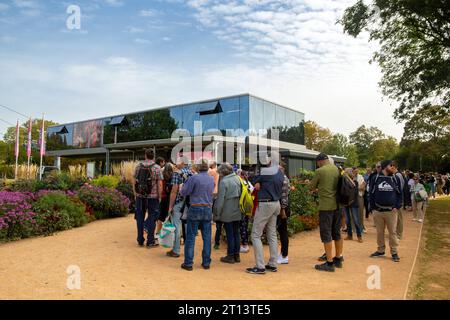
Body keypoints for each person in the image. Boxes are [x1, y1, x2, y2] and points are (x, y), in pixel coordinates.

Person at [246, 152, 285, 275]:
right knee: (272, 234)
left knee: (256, 235)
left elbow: (251, 179)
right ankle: (273, 263)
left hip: (266, 204)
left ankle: (260, 266)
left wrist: (258, 182)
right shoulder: (280, 172)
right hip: (275, 204)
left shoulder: (267, 172)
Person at [179, 158, 215, 271]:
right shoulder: (211, 179)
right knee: (207, 237)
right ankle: (206, 262)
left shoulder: (193, 178)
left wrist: (181, 187)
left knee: (190, 236)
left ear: (198, 167)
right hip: (207, 208)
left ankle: (188, 263)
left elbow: (185, 192)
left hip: (195, 207)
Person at [309, 153, 342, 272]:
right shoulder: (337, 169)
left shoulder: (320, 171)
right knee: (336, 232)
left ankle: (329, 263)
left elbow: (311, 187)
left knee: (326, 233)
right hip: (338, 205)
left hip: (326, 207)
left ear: (320, 161)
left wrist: (313, 187)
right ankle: (338, 258)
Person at [369, 160, 402, 262]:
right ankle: (380, 250)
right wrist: (373, 208)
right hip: (378, 211)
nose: (393, 167)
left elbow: (399, 193)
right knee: (379, 232)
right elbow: (371, 193)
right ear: (384, 167)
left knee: (392, 232)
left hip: (391, 211)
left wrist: (397, 206)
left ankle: (394, 252)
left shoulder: (395, 178)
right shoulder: (376, 178)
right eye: (390, 165)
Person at [132, 149, 163, 248]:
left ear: (145, 155)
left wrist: (135, 194)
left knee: (140, 217)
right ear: (153, 156)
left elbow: (134, 181)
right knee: (152, 217)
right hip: (153, 197)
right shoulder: (157, 168)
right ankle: (150, 241)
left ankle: (140, 239)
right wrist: (159, 197)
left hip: (140, 196)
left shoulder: (138, 166)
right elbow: (160, 184)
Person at [213, 163, 242, 264]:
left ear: (224, 172)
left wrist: (216, 214)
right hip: (238, 210)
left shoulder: (224, 182)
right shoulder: (238, 178)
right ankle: (237, 255)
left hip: (227, 212)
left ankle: (230, 256)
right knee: (236, 233)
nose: (219, 174)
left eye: (220, 172)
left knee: (230, 234)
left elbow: (220, 201)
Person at [165, 159, 186, 258]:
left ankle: (176, 250)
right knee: (184, 226)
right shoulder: (190, 172)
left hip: (178, 203)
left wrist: (170, 207)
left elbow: (174, 191)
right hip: (188, 203)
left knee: (176, 226)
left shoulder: (176, 174)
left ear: (182, 163)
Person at [343, 168, 363, 243]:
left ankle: (359, 236)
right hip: (346, 203)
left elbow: (354, 188)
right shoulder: (344, 182)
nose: (345, 174)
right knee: (347, 220)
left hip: (353, 203)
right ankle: (349, 235)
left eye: (346, 173)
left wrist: (347, 177)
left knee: (356, 220)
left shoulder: (355, 182)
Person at [277, 162, 291, 264]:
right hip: (282, 207)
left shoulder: (284, 180)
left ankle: (284, 255)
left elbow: (284, 197)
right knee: (282, 231)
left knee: (283, 231)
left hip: (283, 208)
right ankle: (283, 253)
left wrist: (282, 210)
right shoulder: (283, 178)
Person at [237, 169, 253, 254]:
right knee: (245, 226)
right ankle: (245, 244)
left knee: (241, 227)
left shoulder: (241, 184)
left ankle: (244, 245)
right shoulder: (248, 184)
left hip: (241, 208)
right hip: (247, 208)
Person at [156, 163, 173, 237]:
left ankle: (157, 233)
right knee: (172, 217)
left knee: (161, 217)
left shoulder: (162, 176)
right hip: (171, 198)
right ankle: (171, 234)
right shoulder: (173, 176)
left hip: (163, 198)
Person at [209, 161, 223, 250]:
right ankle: (217, 242)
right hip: (221, 199)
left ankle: (217, 242)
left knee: (218, 223)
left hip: (215, 196)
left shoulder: (211, 172)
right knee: (219, 223)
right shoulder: (221, 176)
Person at [391, 161, 405, 239]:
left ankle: (399, 234)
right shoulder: (395, 175)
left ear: (394, 167)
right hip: (395, 199)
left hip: (398, 200)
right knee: (395, 218)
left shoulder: (398, 175)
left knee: (399, 218)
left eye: (391, 166)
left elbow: (400, 188)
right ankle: (396, 233)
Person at [353, 167, 366, 233]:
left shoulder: (360, 177)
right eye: (355, 171)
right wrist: (358, 188)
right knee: (352, 213)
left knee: (360, 212)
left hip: (359, 196)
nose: (356, 172)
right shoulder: (350, 177)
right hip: (352, 197)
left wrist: (355, 188)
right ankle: (353, 228)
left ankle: (361, 227)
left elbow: (363, 186)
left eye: (357, 171)